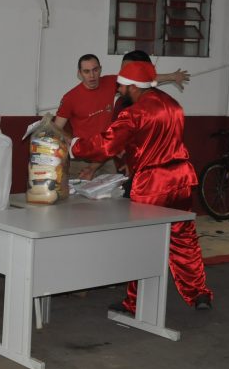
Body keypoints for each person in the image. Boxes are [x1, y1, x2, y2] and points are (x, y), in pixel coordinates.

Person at [70, 61, 213, 313]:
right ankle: (199, 293)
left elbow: (106, 145)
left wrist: (74, 146)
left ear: (134, 87)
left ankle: (136, 302)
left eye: (122, 85)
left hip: (153, 184)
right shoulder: (173, 105)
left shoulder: (135, 113)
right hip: (181, 178)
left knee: (142, 242)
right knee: (184, 238)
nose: (118, 89)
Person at [55, 54, 190, 180]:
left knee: (112, 196)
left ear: (100, 69)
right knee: (78, 197)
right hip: (81, 159)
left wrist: (172, 76)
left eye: (95, 70)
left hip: (106, 157)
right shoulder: (70, 98)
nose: (92, 75)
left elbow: (141, 78)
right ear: (79, 73)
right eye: (86, 71)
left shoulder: (110, 82)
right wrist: (70, 142)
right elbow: (56, 127)